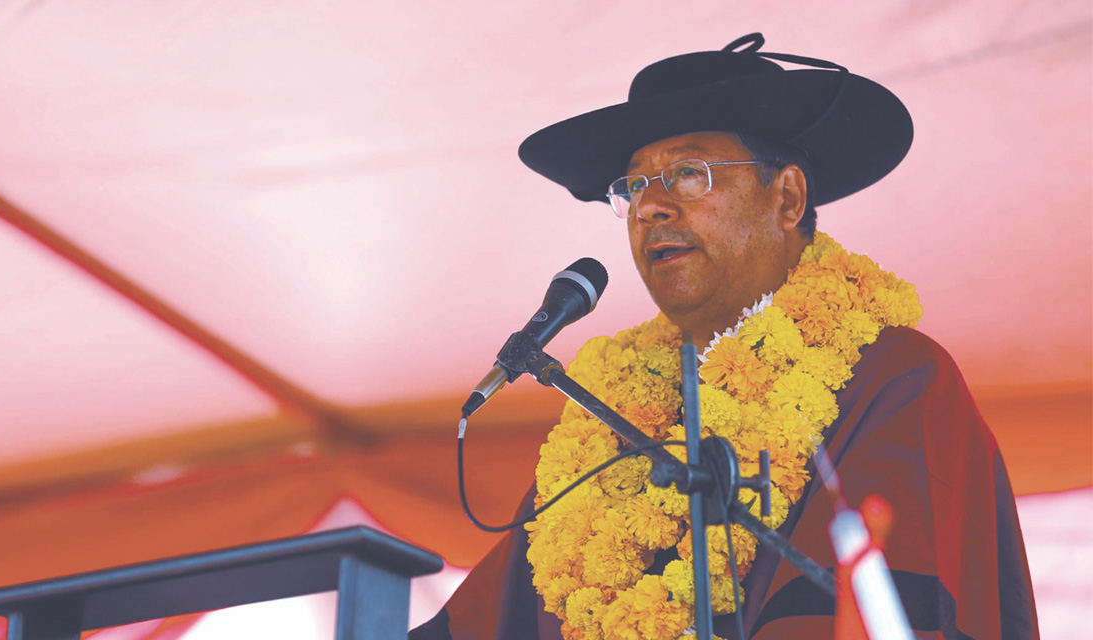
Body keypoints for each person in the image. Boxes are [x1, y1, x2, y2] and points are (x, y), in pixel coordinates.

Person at [411, 34, 1039, 640]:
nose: (650, 206)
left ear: (787, 198)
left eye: (688, 172)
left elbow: (872, 611)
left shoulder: (895, 377)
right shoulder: (609, 422)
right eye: (632, 186)